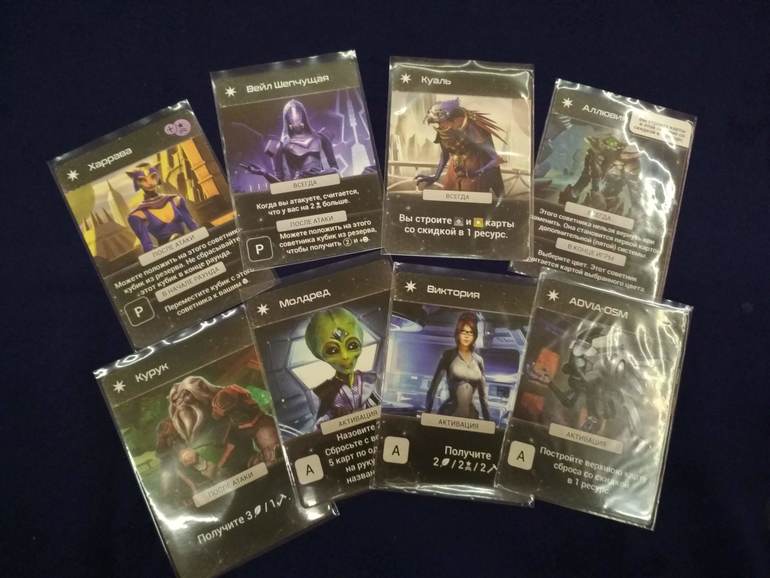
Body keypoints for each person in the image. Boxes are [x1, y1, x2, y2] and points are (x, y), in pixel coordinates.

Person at [425, 312, 491, 420]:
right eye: (463, 331)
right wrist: (426, 415)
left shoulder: (479, 360)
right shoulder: (448, 355)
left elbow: (483, 397)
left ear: (474, 335)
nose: (467, 335)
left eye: (470, 332)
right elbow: (433, 388)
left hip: (471, 417)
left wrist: (488, 422)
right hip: (449, 413)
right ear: (458, 333)